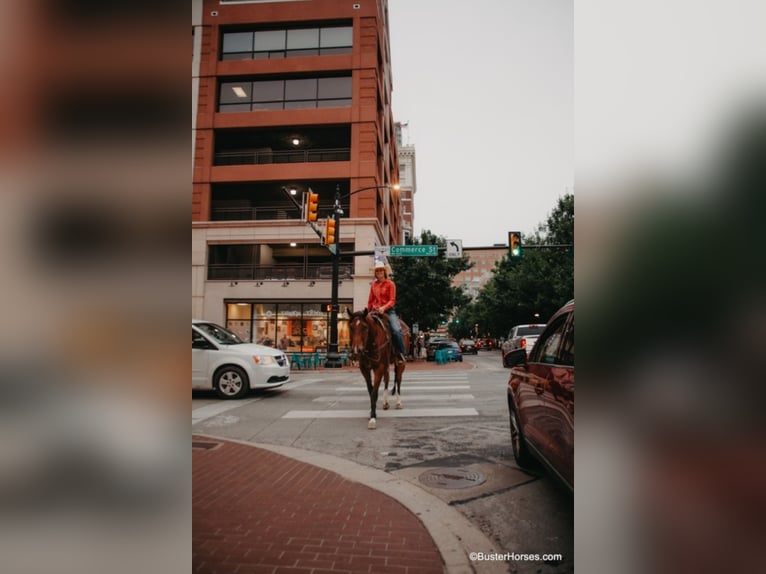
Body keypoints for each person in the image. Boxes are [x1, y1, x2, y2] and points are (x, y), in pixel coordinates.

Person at [367, 258, 407, 363]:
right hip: (375, 311)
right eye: (377, 271)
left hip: (388, 311)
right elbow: (370, 300)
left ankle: (401, 353)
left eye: (381, 270)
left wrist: (383, 308)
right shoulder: (373, 285)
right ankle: (364, 353)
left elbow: (392, 300)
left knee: (396, 330)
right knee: (363, 327)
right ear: (375, 273)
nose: (379, 272)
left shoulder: (390, 284)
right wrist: (367, 312)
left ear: (385, 271)